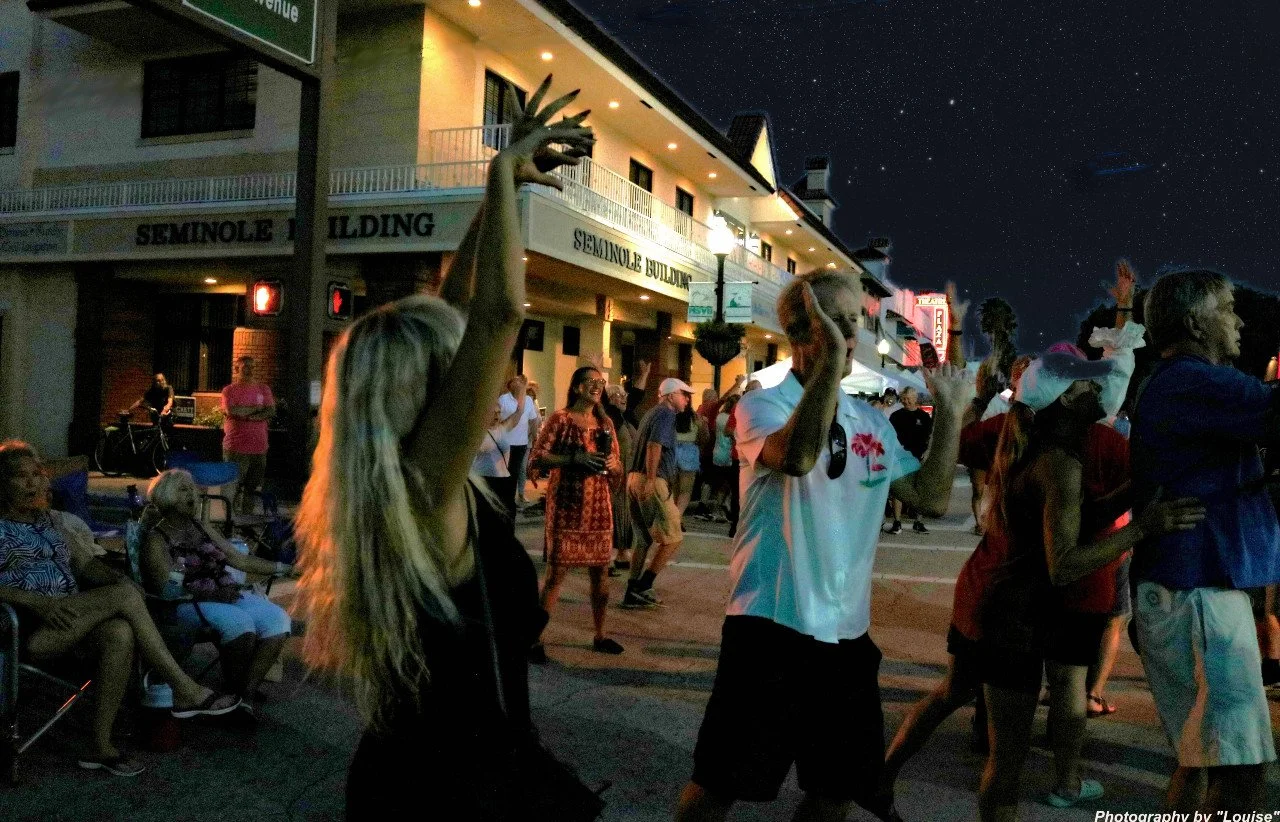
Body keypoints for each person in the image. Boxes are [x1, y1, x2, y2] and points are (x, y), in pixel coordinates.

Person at [293, 77, 592, 817]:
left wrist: (505, 195)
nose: (482, 381)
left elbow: (457, 304)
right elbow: (495, 314)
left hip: (431, 772)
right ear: (431, 386)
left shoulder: (391, 482)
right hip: (450, 792)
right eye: (455, 366)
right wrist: (495, 172)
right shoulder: (425, 491)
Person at [675, 271, 973, 822]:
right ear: (797, 329)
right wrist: (830, 368)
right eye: (834, 322)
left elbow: (930, 498)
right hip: (769, 627)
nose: (850, 334)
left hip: (847, 636)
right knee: (720, 783)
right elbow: (796, 457)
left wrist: (950, 413)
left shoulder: (869, 420)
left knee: (836, 789)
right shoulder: (763, 405)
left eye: (852, 321)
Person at [972, 353, 1203, 820]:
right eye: (1085, 388)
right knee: (1009, 763)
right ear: (1063, 401)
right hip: (1023, 616)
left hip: (1013, 610)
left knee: (1006, 760)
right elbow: (1064, 564)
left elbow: (1067, 527)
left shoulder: (1042, 449)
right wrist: (1143, 527)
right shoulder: (1060, 463)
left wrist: (1129, 495)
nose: (1097, 394)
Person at [1130, 269, 1280, 813]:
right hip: (1199, 594)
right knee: (1241, 770)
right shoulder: (1195, 380)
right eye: (1227, 308)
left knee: (1202, 760)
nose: (1238, 320)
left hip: (1188, 588)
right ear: (1195, 322)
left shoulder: (1178, 382)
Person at [0, 442, 240, 777]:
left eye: (36, 475)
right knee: (124, 598)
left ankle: (100, 747)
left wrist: (118, 577)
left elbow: (86, 566)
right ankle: (184, 689)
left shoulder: (49, 522)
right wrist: (37, 601)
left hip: (71, 620)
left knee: (121, 630)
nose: (32, 484)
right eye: (19, 477)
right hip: (24, 630)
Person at [141, 469, 298, 714]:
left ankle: (245, 694)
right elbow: (167, 590)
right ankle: (236, 691)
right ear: (167, 496)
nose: (193, 494)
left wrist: (285, 568)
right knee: (240, 623)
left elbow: (239, 560)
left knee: (277, 619)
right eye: (184, 490)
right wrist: (211, 595)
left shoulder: (200, 527)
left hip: (224, 594)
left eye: (193, 489)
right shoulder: (157, 539)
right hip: (187, 602)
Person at [528, 366, 624, 659]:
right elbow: (538, 456)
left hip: (598, 507)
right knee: (556, 575)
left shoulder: (605, 423)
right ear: (577, 387)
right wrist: (573, 458)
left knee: (601, 575)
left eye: (600, 382)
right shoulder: (560, 419)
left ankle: (600, 634)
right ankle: (535, 639)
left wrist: (611, 461)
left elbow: (618, 465)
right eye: (591, 382)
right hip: (567, 506)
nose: (597, 387)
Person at [622, 376, 693, 609]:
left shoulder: (651, 413)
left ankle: (632, 590)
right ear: (671, 395)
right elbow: (655, 445)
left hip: (633, 478)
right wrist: (653, 479)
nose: (687, 399)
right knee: (673, 537)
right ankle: (643, 586)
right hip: (650, 480)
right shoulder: (665, 414)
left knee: (642, 539)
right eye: (684, 394)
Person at [220, 356, 275, 516]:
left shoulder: (264, 389)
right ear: (237, 369)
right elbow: (232, 411)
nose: (250, 370)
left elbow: (271, 410)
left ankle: (245, 521)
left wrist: (245, 412)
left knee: (252, 488)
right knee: (232, 487)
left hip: (259, 448)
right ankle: (230, 521)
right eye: (245, 367)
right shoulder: (229, 390)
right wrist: (258, 410)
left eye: (252, 367)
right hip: (236, 448)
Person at [473, 395, 525, 525]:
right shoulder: (478, 433)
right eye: (493, 413)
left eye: (498, 412)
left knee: (506, 518)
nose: (496, 416)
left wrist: (522, 391)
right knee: (488, 520)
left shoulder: (502, 429)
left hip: (504, 480)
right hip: (485, 480)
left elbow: (519, 413)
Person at [888, 387, 933, 534]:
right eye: (904, 398)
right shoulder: (895, 416)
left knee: (920, 489)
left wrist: (926, 453)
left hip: (919, 457)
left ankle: (918, 521)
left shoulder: (924, 417)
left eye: (908, 398)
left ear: (915, 398)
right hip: (900, 457)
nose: (906, 401)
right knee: (898, 489)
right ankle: (897, 522)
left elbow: (930, 437)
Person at [499, 374, 542, 509]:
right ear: (510, 385)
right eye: (516, 382)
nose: (519, 384)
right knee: (504, 473)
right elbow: (498, 420)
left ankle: (511, 499)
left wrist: (535, 437)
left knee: (516, 472)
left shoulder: (528, 400)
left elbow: (533, 420)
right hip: (505, 442)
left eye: (520, 382)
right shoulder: (503, 399)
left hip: (521, 443)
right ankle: (503, 499)